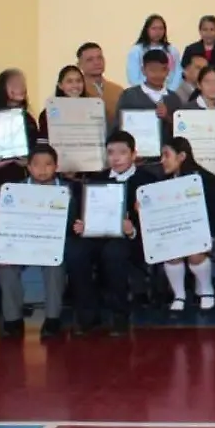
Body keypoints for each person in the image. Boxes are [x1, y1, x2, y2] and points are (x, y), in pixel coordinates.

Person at [67, 130, 154, 336]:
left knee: (114, 253)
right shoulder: (96, 180)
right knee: (75, 252)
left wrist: (132, 229)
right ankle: (88, 315)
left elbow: (156, 220)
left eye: (122, 152)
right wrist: (80, 225)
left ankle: (119, 316)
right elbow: (82, 213)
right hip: (96, 235)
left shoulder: (148, 181)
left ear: (134, 154)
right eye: (111, 152)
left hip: (131, 239)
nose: (116, 158)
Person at [0, 143, 75, 340]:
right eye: (37, 164)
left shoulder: (69, 190)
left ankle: (52, 318)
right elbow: (5, 222)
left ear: (56, 167)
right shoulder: (14, 190)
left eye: (48, 164)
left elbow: (73, 223)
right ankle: (13, 319)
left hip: (54, 243)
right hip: (21, 243)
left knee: (56, 263)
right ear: (28, 167)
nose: (42, 169)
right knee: (5, 263)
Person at [156, 137, 215, 312]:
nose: (162, 160)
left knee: (195, 252)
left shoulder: (205, 179)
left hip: (205, 233)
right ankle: (179, 294)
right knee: (172, 252)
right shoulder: (163, 181)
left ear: (181, 156)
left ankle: (206, 289)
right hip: (176, 233)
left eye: (167, 155)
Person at [0, 69, 39, 189]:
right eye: (14, 84)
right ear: (2, 88)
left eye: (22, 84)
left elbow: (36, 148)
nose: (20, 88)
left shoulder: (29, 119)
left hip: (24, 180)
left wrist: (28, 162)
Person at [115, 49, 185, 145]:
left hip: (168, 156)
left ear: (168, 71)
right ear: (143, 70)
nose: (158, 74)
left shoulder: (174, 99)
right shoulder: (129, 96)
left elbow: (182, 132)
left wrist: (167, 117)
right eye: (153, 70)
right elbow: (119, 127)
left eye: (163, 69)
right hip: (136, 155)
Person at [181, 15, 215, 103]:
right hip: (196, 95)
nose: (208, 33)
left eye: (212, 29)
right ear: (200, 31)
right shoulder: (191, 49)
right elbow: (185, 73)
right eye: (205, 30)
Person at [126, 14, 183, 91]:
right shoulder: (137, 50)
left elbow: (178, 72)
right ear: (147, 30)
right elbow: (133, 77)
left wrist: (170, 90)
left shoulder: (172, 50)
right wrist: (147, 91)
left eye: (161, 28)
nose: (158, 32)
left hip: (167, 92)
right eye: (154, 28)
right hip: (143, 93)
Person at [77, 42, 124, 125]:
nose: (97, 62)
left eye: (100, 58)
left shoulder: (118, 90)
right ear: (79, 65)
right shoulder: (75, 90)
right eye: (90, 60)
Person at [37, 65, 87, 139]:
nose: (75, 85)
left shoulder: (93, 110)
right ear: (60, 85)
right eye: (69, 81)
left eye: (78, 81)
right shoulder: (49, 112)